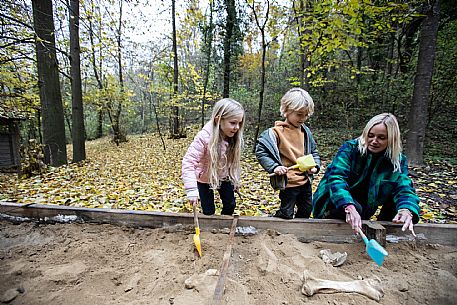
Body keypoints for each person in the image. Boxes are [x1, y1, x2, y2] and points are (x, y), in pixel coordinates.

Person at [312, 113, 420, 236]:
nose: (374, 141)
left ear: (391, 139)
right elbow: (336, 178)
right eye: (371, 135)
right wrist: (348, 206)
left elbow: (404, 187)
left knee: (400, 206)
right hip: (334, 202)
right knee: (355, 207)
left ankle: (388, 234)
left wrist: (407, 209)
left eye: (381, 138)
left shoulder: (398, 160)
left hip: (366, 206)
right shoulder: (350, 149)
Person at [256, 88, 321, 219]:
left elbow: (314, 152)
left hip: (305, 181)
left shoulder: (305, 132)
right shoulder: (275, 133)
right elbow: (261, 151)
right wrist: (274, 167)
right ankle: (281, 227)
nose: (303, 118)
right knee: (286, 212)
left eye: (306, 115)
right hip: (288, 182)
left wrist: (315, 166)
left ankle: (298, 235)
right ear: (286, 111)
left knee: (307, 209)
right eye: (299, 114)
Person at [182, 98, 245, 216]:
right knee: (208, 210)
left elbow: (233, 162)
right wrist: (191, 190)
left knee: (230, 204)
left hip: (224, 176)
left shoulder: (232, 138)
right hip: (204, 178)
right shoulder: (204, 137)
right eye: (233, 123)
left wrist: (235, 180)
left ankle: (223, 226)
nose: (237, 127)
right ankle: (210, 228)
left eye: (239, 123)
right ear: (218, 120)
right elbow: (188, 162)